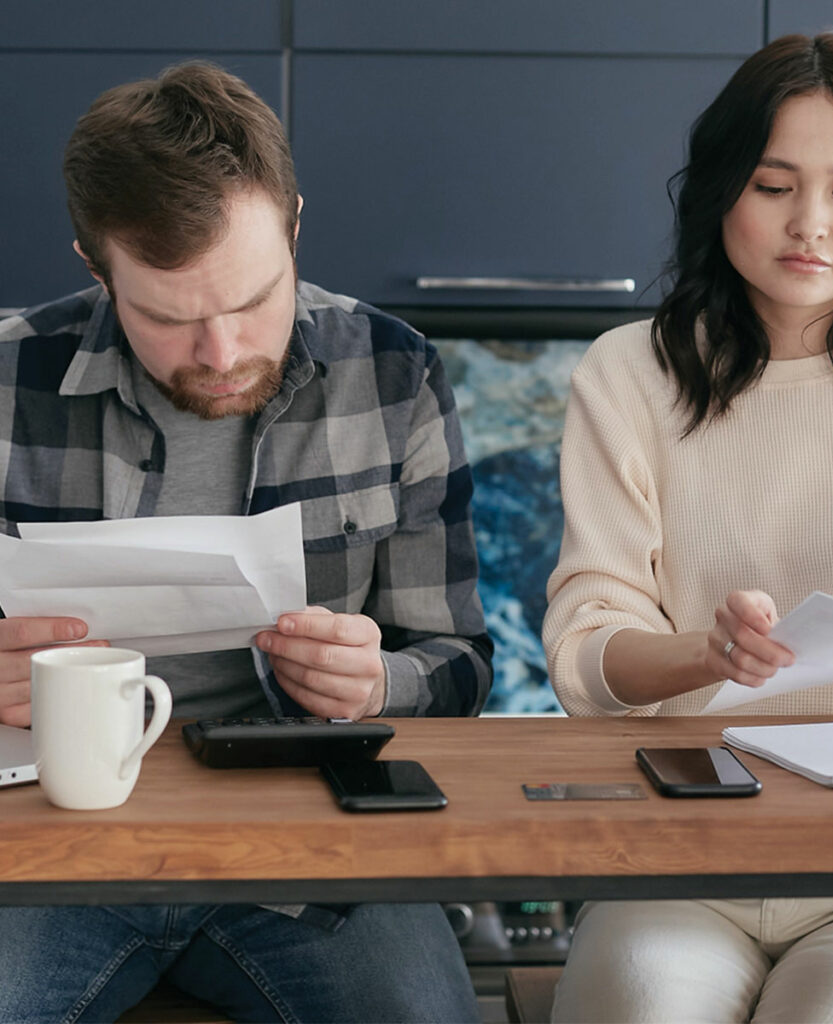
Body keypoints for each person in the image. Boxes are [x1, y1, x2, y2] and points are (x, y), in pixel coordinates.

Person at [543, 32, 833, 1024]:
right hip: (679, 853)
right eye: (772, 185)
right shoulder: (627, 374)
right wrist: (704, 653)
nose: (811, 224)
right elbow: (586, 654)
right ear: (720, 187)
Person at [0, 62, 492, 1023]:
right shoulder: (5, 378)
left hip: (312, 844)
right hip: (48, 835)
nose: (221, 356)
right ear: (95, 268)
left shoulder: (393, 374)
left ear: (295, 225)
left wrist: (378, 683)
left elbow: (464, 664)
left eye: (255, 298)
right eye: (169, 317)